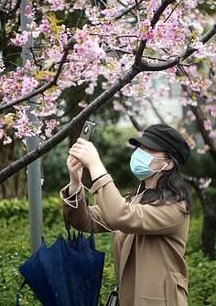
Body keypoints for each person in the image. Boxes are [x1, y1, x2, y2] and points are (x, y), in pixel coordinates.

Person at [60, 124, 192, 306]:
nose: (141, 152)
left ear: (168, 163)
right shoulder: (136, 199)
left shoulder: (176, 207)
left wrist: (96, 166)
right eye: (141, 147)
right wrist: (75, 182)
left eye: (149, 149)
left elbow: (120, 215)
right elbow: (87, 221)